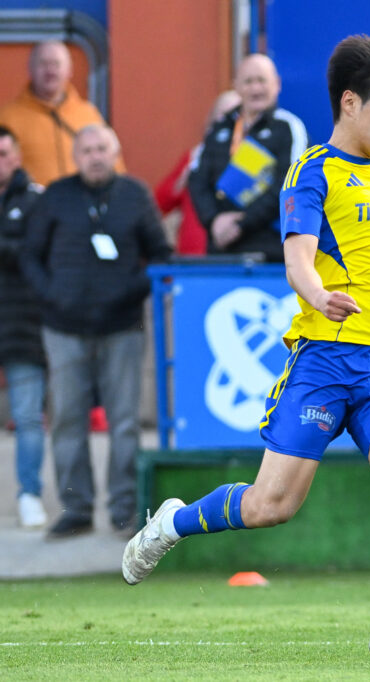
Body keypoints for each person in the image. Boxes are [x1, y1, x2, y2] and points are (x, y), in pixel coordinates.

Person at [122, 35, 370, 662]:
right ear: (351, 103)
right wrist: (319, 293)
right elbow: (297, 259)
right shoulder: (312, 170)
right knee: (270, 505)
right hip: (325, 359)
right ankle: (171, 522)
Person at [20, 124, 171, 539]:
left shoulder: (135, 194)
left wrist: (128, 292)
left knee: (124, 423)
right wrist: (52, 296)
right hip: (63, 329)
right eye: (86, 150)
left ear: (115, 151)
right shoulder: (56, 196)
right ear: (76, 157)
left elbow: (160, 254)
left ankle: (125, 510)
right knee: (68, 421)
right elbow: (30, 255)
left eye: (102, 148)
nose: (95, 156)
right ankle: (76, 509)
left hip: (123, 327)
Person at [188, 54, 307, 262]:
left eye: (261, 81)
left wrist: (241, 223)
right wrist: (213, 220)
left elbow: (290, 183)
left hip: (272, 254)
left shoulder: (288, 127)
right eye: (248, 81)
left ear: (277, 84)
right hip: (221, 251)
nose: (255, 88)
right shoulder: (220, 127)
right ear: (236, 86)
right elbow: (197, 181)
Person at [0, 126, 47, 529]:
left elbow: (36, 253)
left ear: (16, 157)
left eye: (2, 154)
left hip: (20, 322)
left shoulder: (36, 200)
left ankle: (29, 493)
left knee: (28, 415)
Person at [0, 41, 123, 186]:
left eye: (56, 64)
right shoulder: (7, 117)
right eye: (43, 63)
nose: (50, 71)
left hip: (83, 199)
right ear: (30, 69)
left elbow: (113, 162)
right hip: (33, 200)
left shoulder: (88, 114)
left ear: (69, 71)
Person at [154, 90, 242, 256]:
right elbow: (159, 203)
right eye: (223, 115)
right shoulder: (195, 156)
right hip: (192, 256)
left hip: (234, 255)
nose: (229, 121)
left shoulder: (256, 156)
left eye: (236, 114)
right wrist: (181, 182)